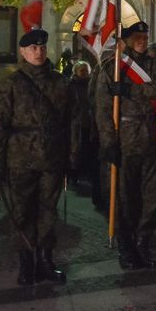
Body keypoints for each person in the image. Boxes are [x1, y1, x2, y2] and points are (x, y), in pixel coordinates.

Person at [0, 29, 73, 286]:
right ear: (23, 52)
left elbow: (71, 121)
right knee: (22, 213)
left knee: (48, 211)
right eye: (33, 48)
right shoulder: (11, 83)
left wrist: (72, 156)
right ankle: (26, 263)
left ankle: (46, 261)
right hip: (19, 159)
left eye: (42, 47)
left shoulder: (60, 83)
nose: (39, 52)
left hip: (51, 157)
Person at [95, 21, 156, 269]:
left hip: (152, 140)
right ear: (125, 40)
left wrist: (132, 91)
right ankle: (126, 246)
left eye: (144, 35)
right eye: (136, 36)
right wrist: (109, 143)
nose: (141, 39)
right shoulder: (113, 68)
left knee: (149, 198)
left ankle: (143, 244)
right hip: (124, 141)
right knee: (124, 198)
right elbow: (103, 109)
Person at [68, 61, 101, 212]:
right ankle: (74, 173)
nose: (84, 73)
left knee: (89, 150)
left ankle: (86, 172)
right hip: (77, 123)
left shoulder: (91, 85)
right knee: (76, 148)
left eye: (85, 70)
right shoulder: (71, 86)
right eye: (81, 70)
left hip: (90, 122)